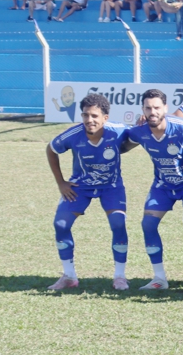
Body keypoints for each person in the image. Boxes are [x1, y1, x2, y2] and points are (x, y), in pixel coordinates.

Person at [45, 93, 132, 291]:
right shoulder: (73, 135)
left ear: (105, 118)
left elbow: (136, 136)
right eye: (85, 115)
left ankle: (120, 276)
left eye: (94, 116)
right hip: (80, 187)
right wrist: (61, 183)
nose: (89, 120)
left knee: (118, 223)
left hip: (111, 186)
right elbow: (51, 150)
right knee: (60, 224)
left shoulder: (118, 130)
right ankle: (69, 276)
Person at [124, 90, 183, 292]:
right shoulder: (139, 131)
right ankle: (159, 278)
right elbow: (121, 146)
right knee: (148, 224)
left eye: (157, 107)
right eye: (148, 108)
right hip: (162, 185)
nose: (152, 112)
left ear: (166, 108)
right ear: (143, 110)